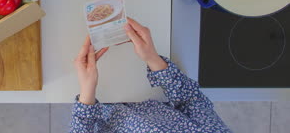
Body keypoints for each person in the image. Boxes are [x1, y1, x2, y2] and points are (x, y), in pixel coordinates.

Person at [71, 17, 231, 133]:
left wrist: (87, 91)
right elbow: (191, 100)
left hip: (103, 103)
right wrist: (153, 59)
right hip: (143, 85)